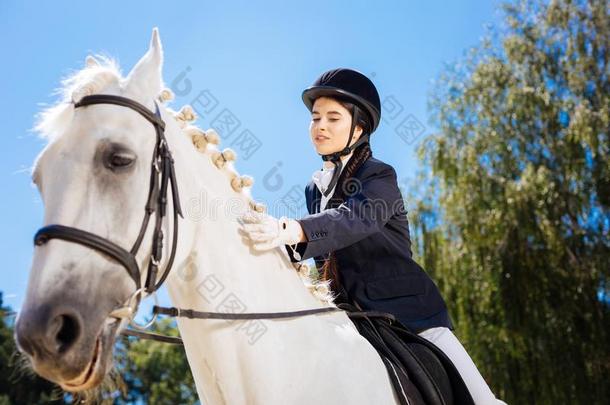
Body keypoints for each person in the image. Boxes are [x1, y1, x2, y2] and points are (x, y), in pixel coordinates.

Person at [240, 68, 504, 404]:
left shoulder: (379, 175)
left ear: (359, 128)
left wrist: (292, 229)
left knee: (483, 401)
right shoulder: (314, 187)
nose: (320, 126)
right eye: (315, 117)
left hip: (409, 314)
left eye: (333, 118)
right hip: (347, 317)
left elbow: (353, 219)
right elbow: (318, 249)